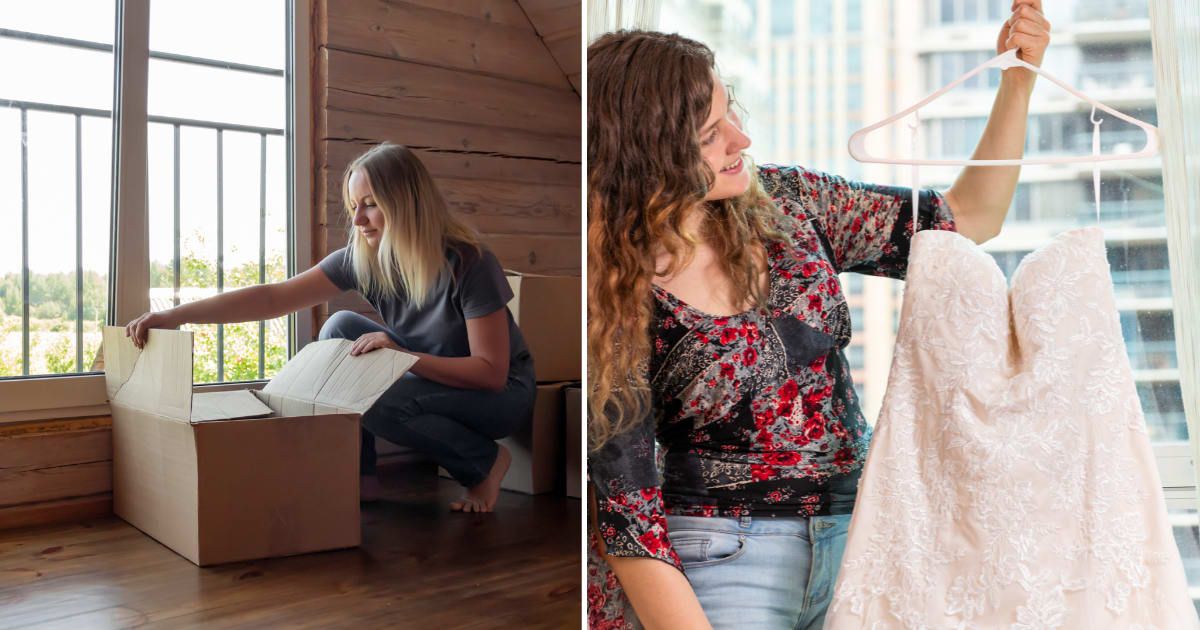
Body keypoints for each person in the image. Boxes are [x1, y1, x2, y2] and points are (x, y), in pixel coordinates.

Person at [586, 2, 1051, 627]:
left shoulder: (791, 203)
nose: (741, 140)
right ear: (647, 154)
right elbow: (630, 520)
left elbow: (968, 219)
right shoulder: (610, 295)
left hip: (862, 541)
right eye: (709, 135)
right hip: (718, 561)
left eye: (731, 113)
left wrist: (1018, 81)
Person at [126, 142, 536, 513]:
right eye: (354, 205)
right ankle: (361, 475)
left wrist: (403, 357)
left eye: (371, 205)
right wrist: (176, 315)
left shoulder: (470, 262)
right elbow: (273, 298)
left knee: (373, 398)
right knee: (339, 327)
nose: (358, 219)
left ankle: (484, 463)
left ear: (407, 203)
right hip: (430, 373)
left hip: (500, 396)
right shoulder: (365, 258)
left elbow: (490, 373)